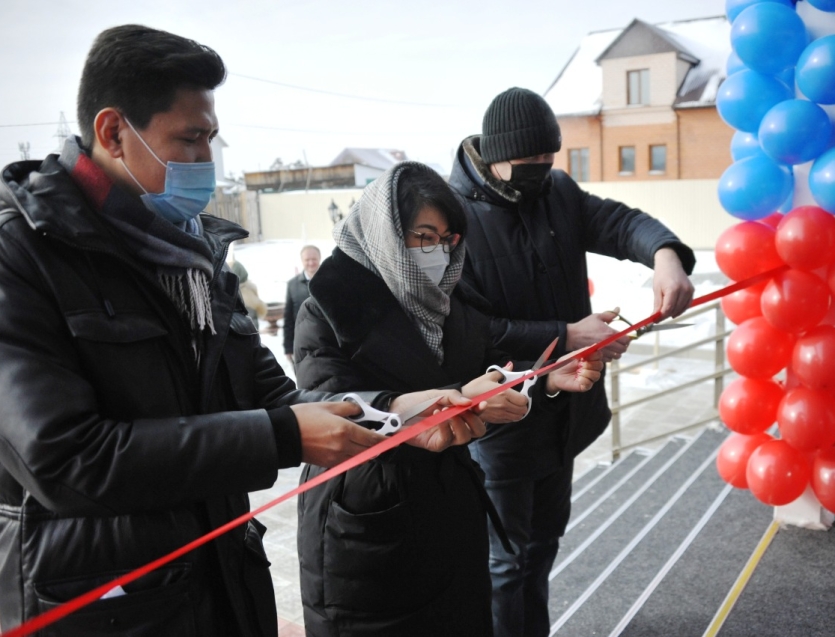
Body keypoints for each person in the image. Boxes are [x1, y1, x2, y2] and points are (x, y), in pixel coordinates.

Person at [0, 26, 482, 637]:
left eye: (212, 140)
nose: (206, 160)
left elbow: (274, 396)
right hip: (103, 602)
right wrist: (281, 438)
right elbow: (67, 459)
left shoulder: (195, 258)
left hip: (219, 580)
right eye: (190, 139)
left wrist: (394, 413)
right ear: (113, 132)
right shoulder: (23, 255)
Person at [292, 161, 604, 637]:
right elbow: (328, 403)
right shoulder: (329, 308)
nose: (435, 251)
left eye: (446, 238)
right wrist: (453, 400)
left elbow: (492, 367)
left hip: (450, 511)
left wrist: (544, 379)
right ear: (385, 232)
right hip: (365, 517)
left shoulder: (451, 302)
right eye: (422, 235)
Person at [448, 87, 696, 637]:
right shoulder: (451, 217)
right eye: (530, 161)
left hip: (565, 417)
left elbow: (620, 223)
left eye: (549, 159)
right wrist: (565, 335)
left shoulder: (556, 191)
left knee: (544, 546)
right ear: (494, 154)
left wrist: (665, 255)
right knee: (506, 563)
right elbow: (467, 332)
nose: (543, 170)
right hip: (501, 425)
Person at [284, 244, 321, 364]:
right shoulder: (292, 285)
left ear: (319, 259)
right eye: (307, 260)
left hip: (327, 342)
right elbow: (288, 317)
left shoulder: (332, 281)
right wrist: (288, 347)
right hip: (303, 344)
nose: (311, 263)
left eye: (314, 259)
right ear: (302, 261)